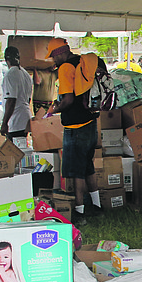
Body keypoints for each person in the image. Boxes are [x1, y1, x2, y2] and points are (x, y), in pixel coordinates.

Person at [45, 38, 103, 226]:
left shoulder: (65, 68)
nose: (53, 61)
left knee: (77, 172)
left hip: (75, 127)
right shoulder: (82, 63)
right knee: (88, 167)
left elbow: (68, 100)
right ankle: (97, 206)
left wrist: (55, 109)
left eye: (53, 56)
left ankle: (80, 212)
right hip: (90, 124)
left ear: (60, 52)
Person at [1, 46, 33, 141]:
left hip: (16, 120)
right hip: (25, 117)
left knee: (14, 152)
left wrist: (4, 123)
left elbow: (11, 100)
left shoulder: (10, 74)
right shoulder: (25, 74)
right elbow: (28, 99)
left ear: (6, 60)